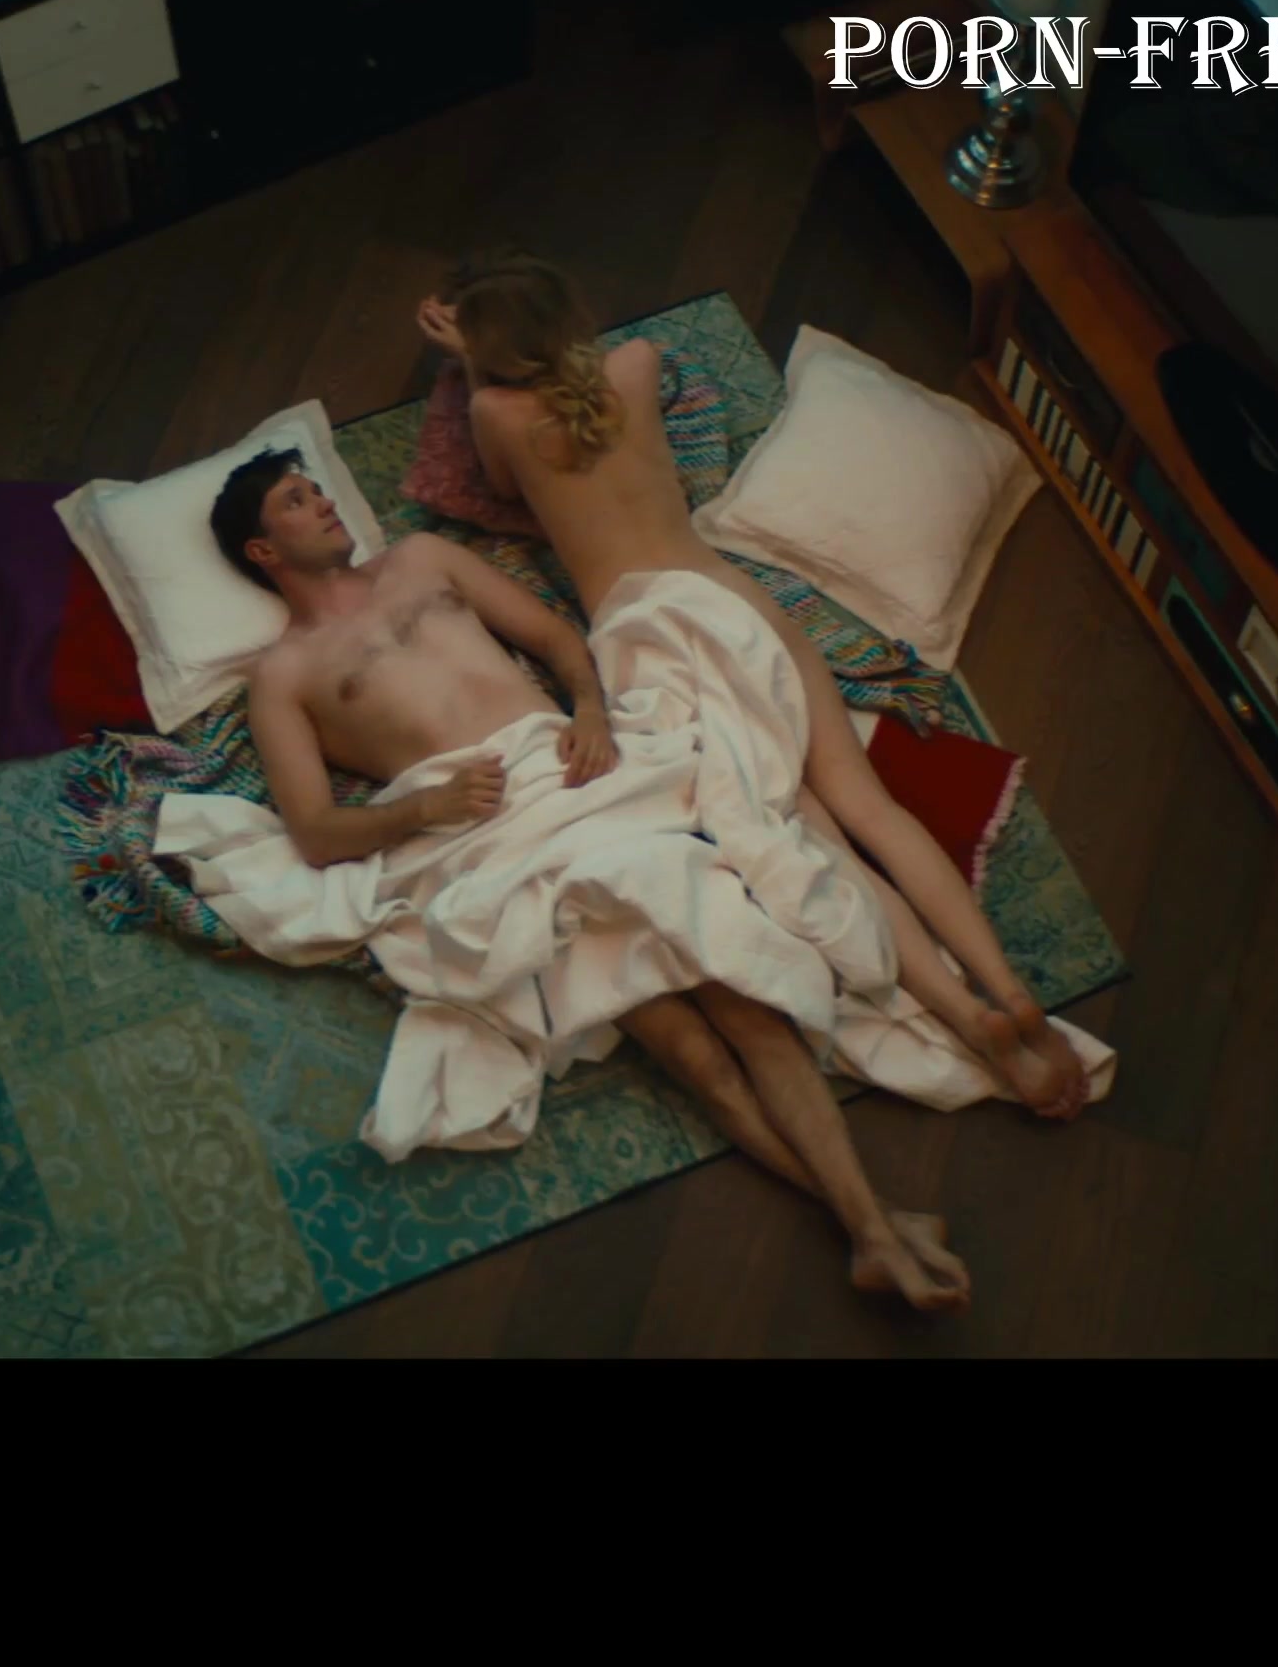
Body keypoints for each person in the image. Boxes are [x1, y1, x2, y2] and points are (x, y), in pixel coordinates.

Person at [215, 447, 971, 1312]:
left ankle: (872, 1231)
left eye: (317, 488)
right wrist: (423, 808)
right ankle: (871, 1228)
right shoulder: (283, 676)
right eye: (296, 500)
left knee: (741, 1002)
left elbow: (554, 639)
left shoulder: (422, 558)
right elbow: (315, 833)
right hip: (488, 842)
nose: (323, 502)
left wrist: (588, 712)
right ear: (262, 551)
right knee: (687, 1052)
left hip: (574, 780)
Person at [417, 250, 1091, 1119]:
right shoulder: (637, 366)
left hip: (649, 639)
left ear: (491, 353)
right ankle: (1010, 991)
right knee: (871, 805)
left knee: (816, 839)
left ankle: (965, 1018)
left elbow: (499, 485)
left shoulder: (493, 411)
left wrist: (471, 364)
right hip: (729, 600)